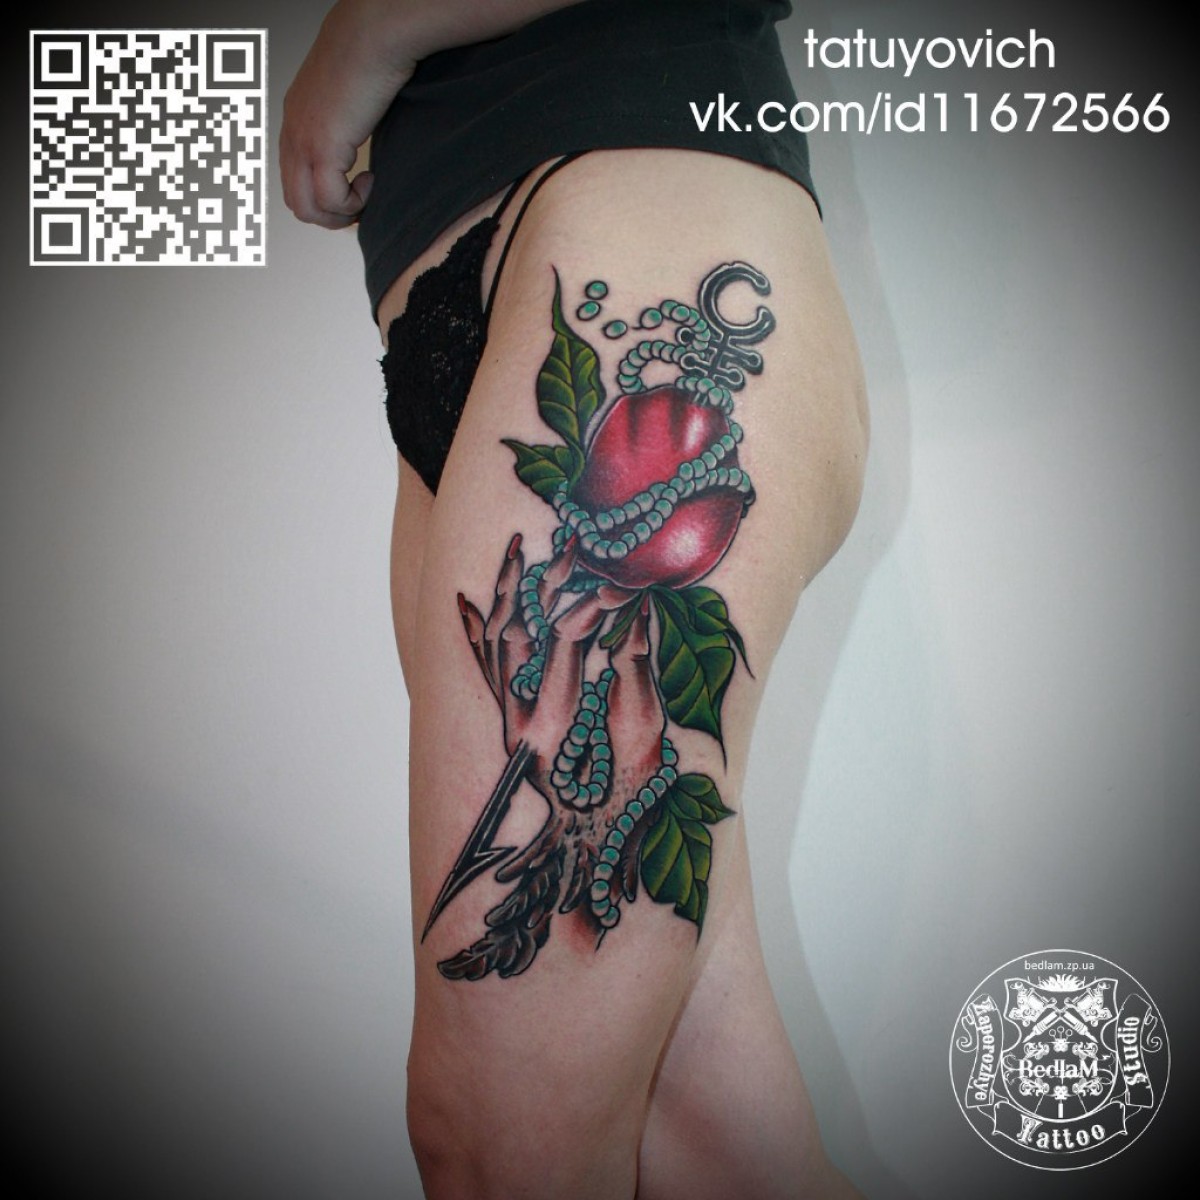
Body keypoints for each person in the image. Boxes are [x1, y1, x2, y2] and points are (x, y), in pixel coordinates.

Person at [281, 2, 868, 1196]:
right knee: (694, 1133)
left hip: (639, 206)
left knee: (499, 1141)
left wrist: (363, 35)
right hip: (449, 317)